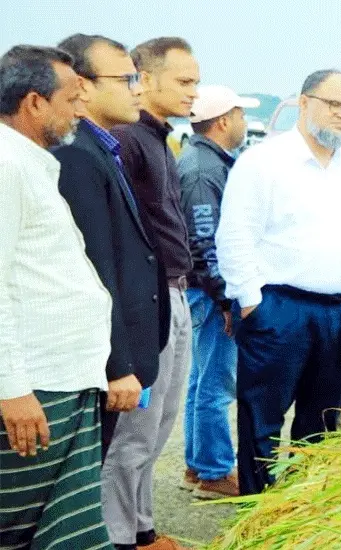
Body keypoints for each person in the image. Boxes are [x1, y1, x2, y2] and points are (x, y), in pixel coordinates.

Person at [216, 69, 341, 496]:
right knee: (262, 421)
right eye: (334, 104)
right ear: (304, 103)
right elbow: (234, 236)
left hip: (340, 311)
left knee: (323, 422)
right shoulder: (264, 162)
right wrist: (251, 303)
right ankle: (256, 509)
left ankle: (304, 508)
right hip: (278, 308)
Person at [0, 44, 114, 550]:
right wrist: (12, 390)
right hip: (34, 387)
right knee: (18, 529)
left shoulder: (29, 163)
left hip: (62, 380)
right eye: (71, 99)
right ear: (34, 102)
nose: (81, 111)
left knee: (62, 528)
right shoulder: (6, 166)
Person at [53, 33, 170, 460]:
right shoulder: (77, 157)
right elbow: (96, 269)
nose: (138, 89)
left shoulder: (105, 149)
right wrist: (117, 364)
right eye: (126, 79)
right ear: (82, 86)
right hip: (100, 364)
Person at [103, 36, 199, 550]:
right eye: (183, 81)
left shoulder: (160, 139)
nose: (193, 92)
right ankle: (121, 535)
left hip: (177, 294)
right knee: (135, 432)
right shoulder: (128, 140)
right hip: (149, 299)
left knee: (159, 425)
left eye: (196, 82)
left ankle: (142, 527)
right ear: (145, 78)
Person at [178, 84, 257, 500]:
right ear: (224, 121)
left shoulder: (204, 161)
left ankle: (198, 465)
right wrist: (226, 299)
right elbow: (204, 241)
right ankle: (214, 471)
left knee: (201, 380)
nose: (244, 123)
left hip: (203, 289)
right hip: (210, 292)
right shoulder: (203, 169)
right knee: (216, 384)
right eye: (241, 115)